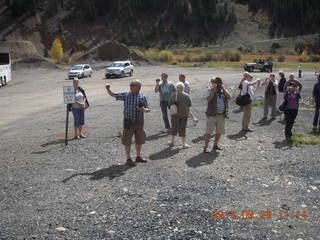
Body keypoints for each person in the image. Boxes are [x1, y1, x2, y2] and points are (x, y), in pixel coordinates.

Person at [106, 79, 150, 166]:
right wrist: (108, 88)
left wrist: (144, 109)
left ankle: (138, 157)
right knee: (127, 140)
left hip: (139, 121)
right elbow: (113, 94)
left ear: (138, 87)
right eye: (130, 85)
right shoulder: (126, 95)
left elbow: (148, 109)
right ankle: (128, 158)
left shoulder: (143, 96)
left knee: (139, 139)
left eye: (132, 85)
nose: (130, 86)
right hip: (128, 121)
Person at [203, 77, 231, 152]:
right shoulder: (210, 89)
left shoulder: (223, 90)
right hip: (212, 114)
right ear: (213, 83)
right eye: (216, 83)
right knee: (209, 131)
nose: (218, 85)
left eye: (219, 83)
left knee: (219, 131)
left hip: (221, 114)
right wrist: (214, 91)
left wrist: (224, 89)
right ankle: (205, 147)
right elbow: (208, 100)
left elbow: (229, 97)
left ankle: (215, 145)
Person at [168, 82, 192, 148]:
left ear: (176, 88)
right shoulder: (186, 95)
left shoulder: (173, 95)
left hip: (175, 114)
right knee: (183, 128)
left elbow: (169, 103)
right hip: (184, 114)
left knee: (174, 127)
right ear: (183, 88)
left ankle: (172, 141)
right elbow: (189, 104)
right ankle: (183, 144)